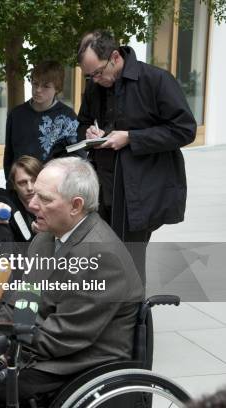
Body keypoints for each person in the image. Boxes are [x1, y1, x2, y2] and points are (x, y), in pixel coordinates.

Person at [0, 157, 144, 407]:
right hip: (39, 343)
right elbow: (22, 302)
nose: (31, 204)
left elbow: (62, 338)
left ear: (76, 205)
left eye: (44, 199)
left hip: (75, 364)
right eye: (34, 195)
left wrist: (2, 361)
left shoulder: (100, 256)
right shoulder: (46, 238)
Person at [76, 30, 196, 281]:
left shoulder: (156, 80)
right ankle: (106, 315)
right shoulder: (94, 86)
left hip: (138, 192)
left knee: (128, 264)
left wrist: (131, 137)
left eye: (98, 72)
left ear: (115, 57)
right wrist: (88, 132)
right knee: (102, 262)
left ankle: (133, 318)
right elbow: (82, 123)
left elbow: (185, 130)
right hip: (102, 188)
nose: (95, 80)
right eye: (90, 76)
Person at [3, 61, 80, 179]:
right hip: (20, 184)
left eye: (46, 86)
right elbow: (9, 154)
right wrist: (10, 182)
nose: (38, 90)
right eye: (35, 84)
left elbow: (75, 157)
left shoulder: (68, 117)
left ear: (57, 89)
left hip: (53, 185)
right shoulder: (16, 114)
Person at [0, 155, 43, 242]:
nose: (30, 188)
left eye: (34, 180)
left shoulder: (54, 198)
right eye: (22, 183)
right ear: (14, 185)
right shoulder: (8, 198)